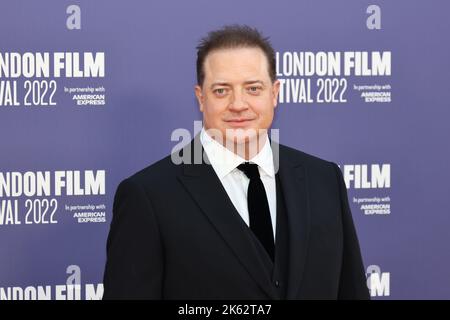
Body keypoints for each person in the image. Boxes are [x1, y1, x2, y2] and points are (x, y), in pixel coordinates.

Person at [103, 25, 370, 300]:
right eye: (221, 91)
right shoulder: (148, 196)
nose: (239, 104)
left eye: (253, 88)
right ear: (200, 97)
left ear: (275, 93)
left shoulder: (324, 180)